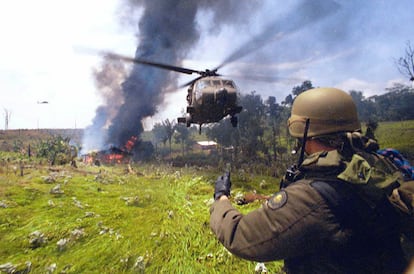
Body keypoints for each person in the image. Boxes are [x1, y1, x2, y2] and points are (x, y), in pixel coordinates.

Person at [210, 87, 409, 273]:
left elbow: (240, 236)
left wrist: (221, 198)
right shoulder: (381, 164)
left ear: (303, 132)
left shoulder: (312, 195)